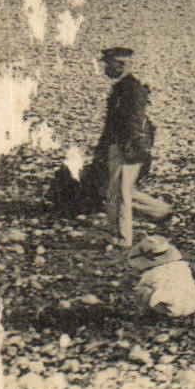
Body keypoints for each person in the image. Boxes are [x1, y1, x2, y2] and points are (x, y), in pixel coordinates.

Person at [78, 47, 171, 246]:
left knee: (119, 193)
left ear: (120, 65)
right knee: (119, 191)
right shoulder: (126, 87)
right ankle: (160, 211)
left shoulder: (130, 89)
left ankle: (122, 238)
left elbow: (133, 122)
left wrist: (128, 149)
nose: (105, 68)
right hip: (122, 147)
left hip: (125, 148)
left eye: (109, 64)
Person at [128, 236, 195, 318]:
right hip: (192, 303)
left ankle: (155, 312)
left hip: (170, 309)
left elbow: (139, 287)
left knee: (143, 290)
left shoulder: (152, 274)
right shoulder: (182, 266)